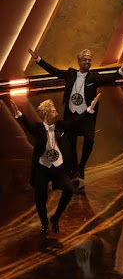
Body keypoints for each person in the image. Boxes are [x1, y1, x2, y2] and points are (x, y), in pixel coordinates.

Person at [28, 48, 123, 180]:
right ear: (79, 62)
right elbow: (54, 71)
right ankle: (74, 168)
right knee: (70, 143)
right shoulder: (70, 74)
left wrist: (120, 71)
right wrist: (38, 59)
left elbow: (109, 79)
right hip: (71, 115)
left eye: (89, 60)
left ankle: (81, 167)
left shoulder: (94, 77)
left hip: (86, 116)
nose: (87, 62)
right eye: (85, 60)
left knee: (90, 139)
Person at [7, 96, 100, 235]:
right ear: (46, 113)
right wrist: (17, 113)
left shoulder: (60, 125)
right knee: (40, 198)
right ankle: (44, 223)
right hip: (43, 168)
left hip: (58, 167)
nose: (56, 113)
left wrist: (89, 109)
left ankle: (55, 218)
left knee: (69, 190)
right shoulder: (38, 129)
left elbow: (75, 122)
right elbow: (27, 125)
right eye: (53, 111)